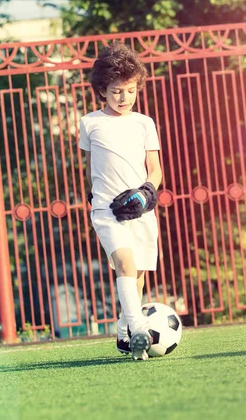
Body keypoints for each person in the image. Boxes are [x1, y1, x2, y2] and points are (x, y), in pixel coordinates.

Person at [78, 42, 163, 360]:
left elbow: (155, 170)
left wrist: (144, 194)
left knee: (137, 274)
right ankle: (140, 329)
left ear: (137, 87)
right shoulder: (89, 123)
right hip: (106, 209)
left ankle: (124, 332)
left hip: (140, 209)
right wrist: (93, 197)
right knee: (125, 263)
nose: (123, 97)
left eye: (129, 90)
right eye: (116, 91)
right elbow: (90, 168)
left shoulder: (145, 123)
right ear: (102, 90)